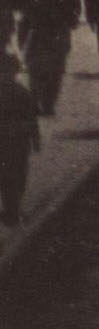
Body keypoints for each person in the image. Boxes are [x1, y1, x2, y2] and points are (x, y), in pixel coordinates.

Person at [0, 54, 40, 224]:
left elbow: (31, 117)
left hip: (10, 140)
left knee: (9, 175)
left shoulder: (22, 93)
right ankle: (12, 210)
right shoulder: (22, 92)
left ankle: (11, 210)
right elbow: (32, 118)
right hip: (17, 141)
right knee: (17, 175)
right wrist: (36, 139)